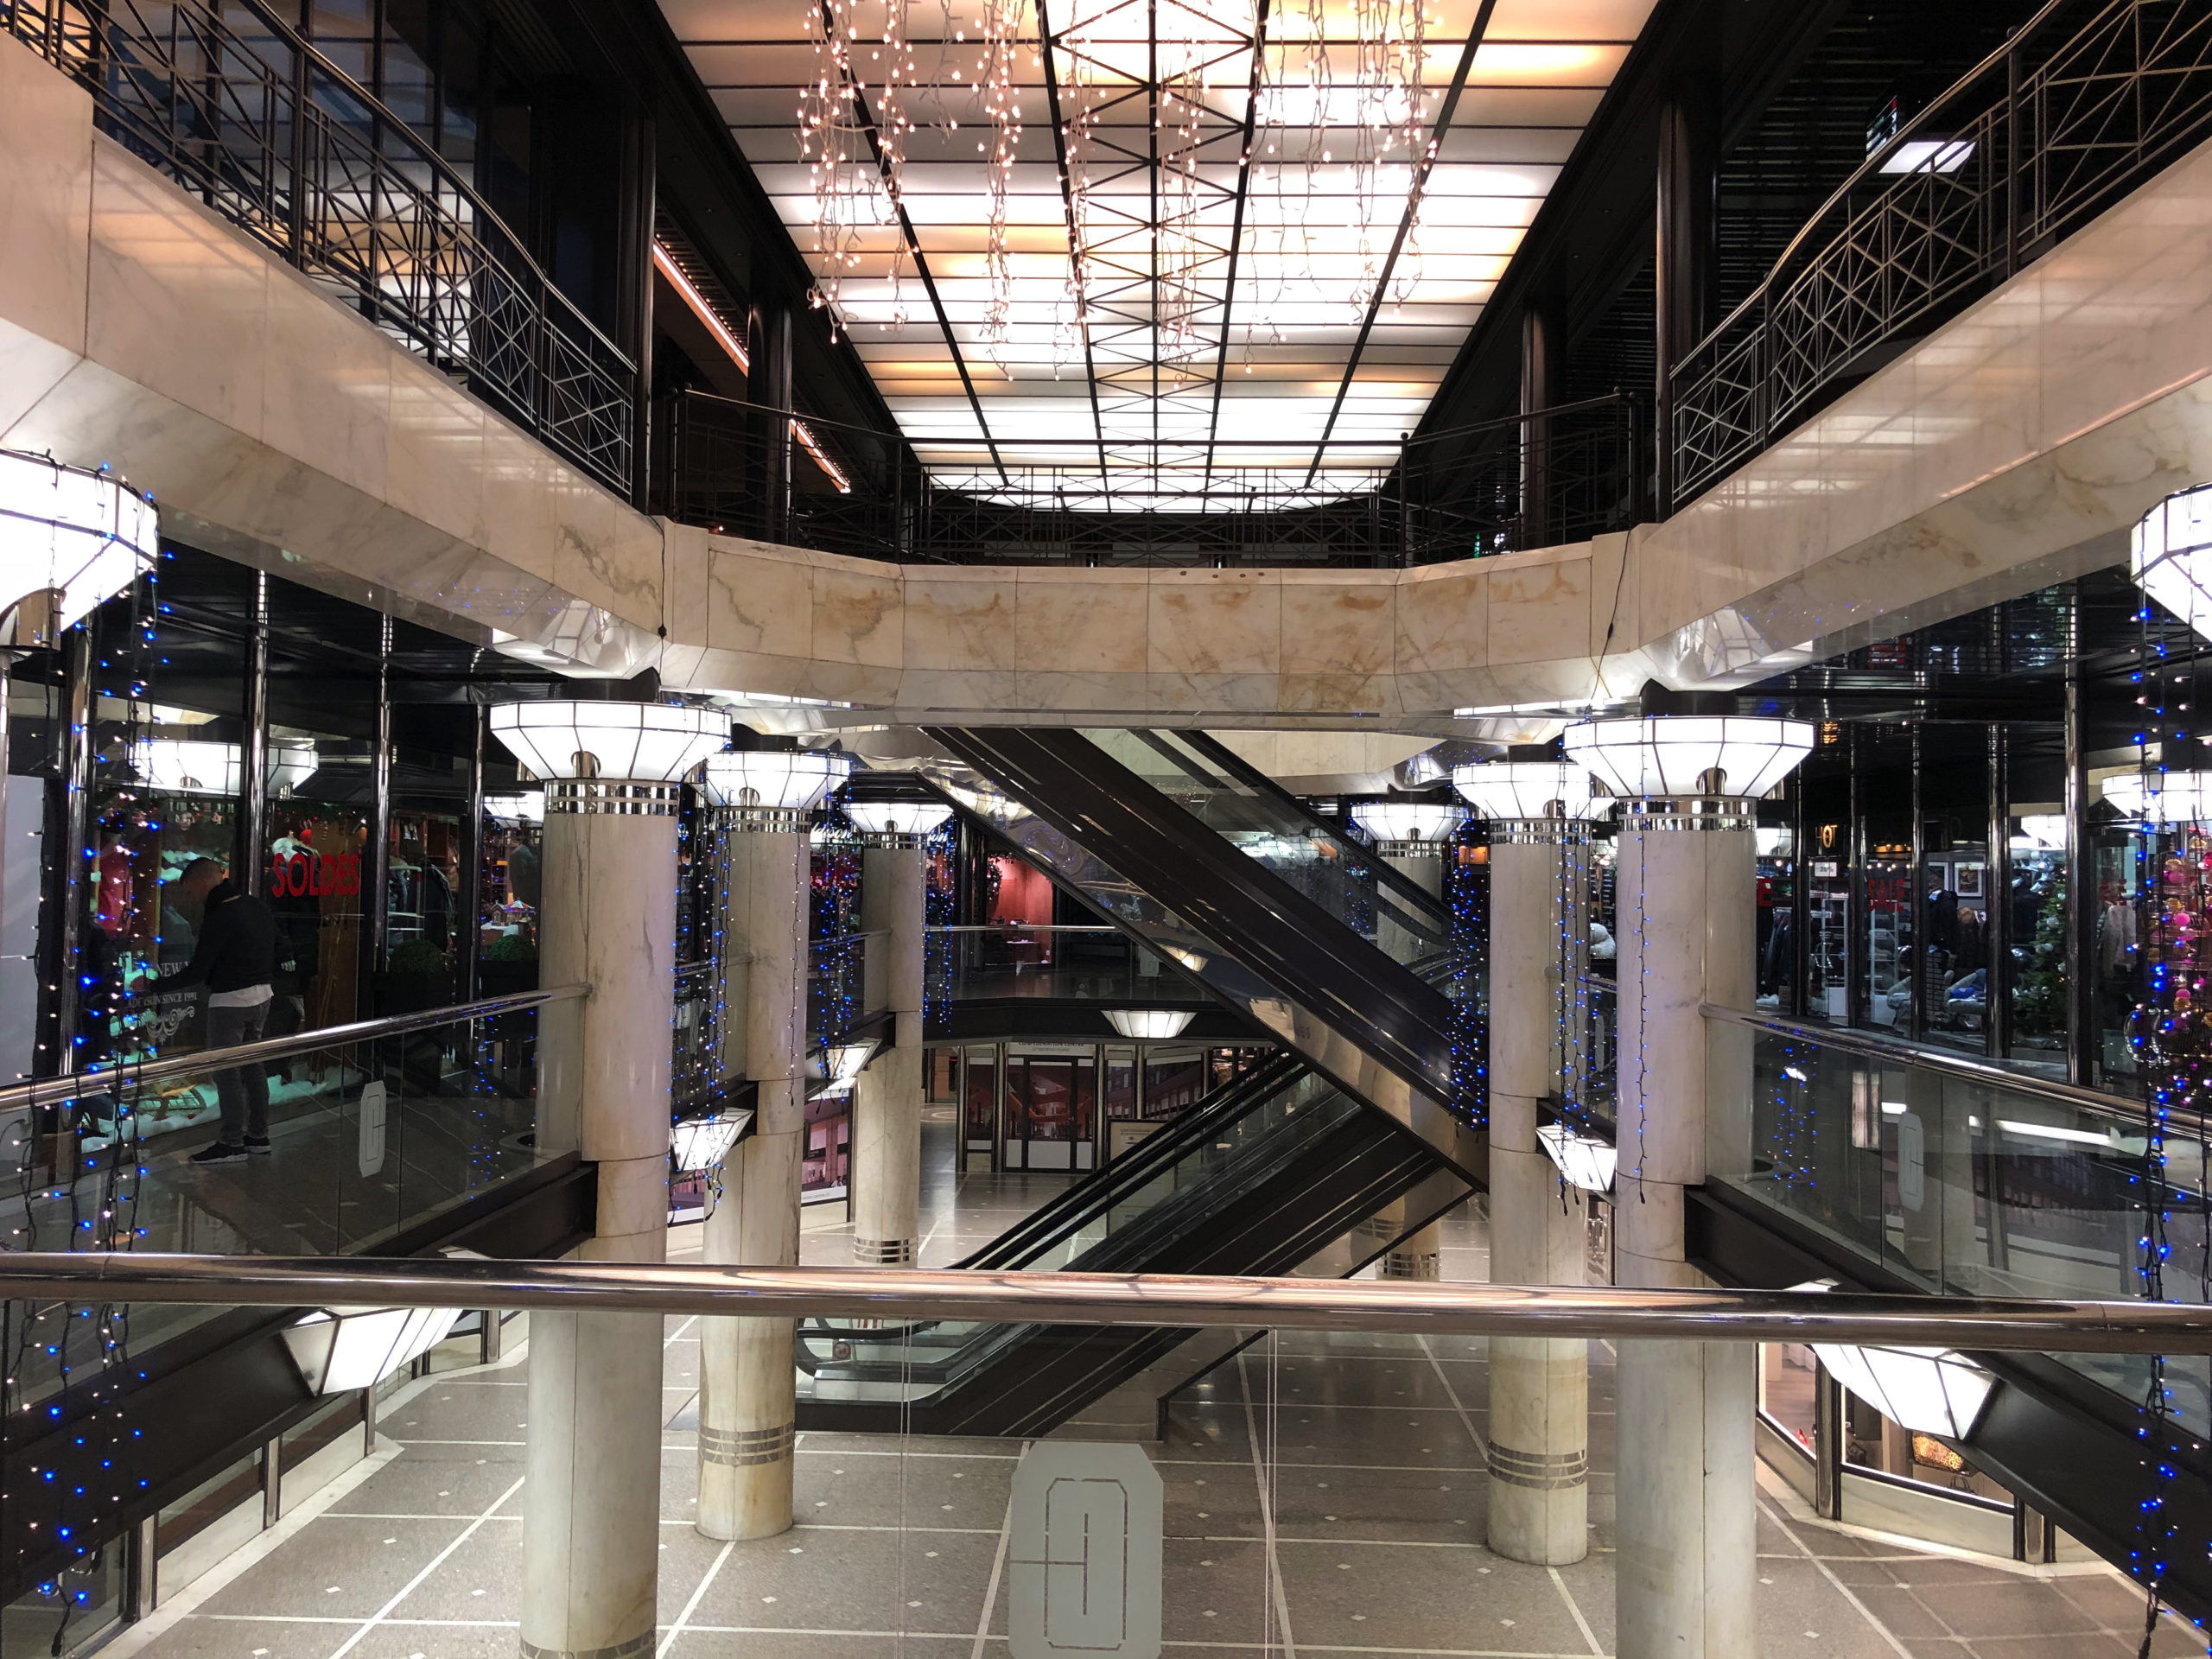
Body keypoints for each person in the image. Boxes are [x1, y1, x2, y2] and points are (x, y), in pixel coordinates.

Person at [156, 860, 279, 1164]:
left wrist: (154, 987)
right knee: (253, 1067)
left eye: (191, 892)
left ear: (202, 883)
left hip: (230, 1001)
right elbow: (278, 945)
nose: (193, 899)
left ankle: (232, 1142)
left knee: (227, 1073)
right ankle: (258, 1136)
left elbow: (199, 969)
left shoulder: (220, 916)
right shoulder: (255, 905)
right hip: (262, 995)